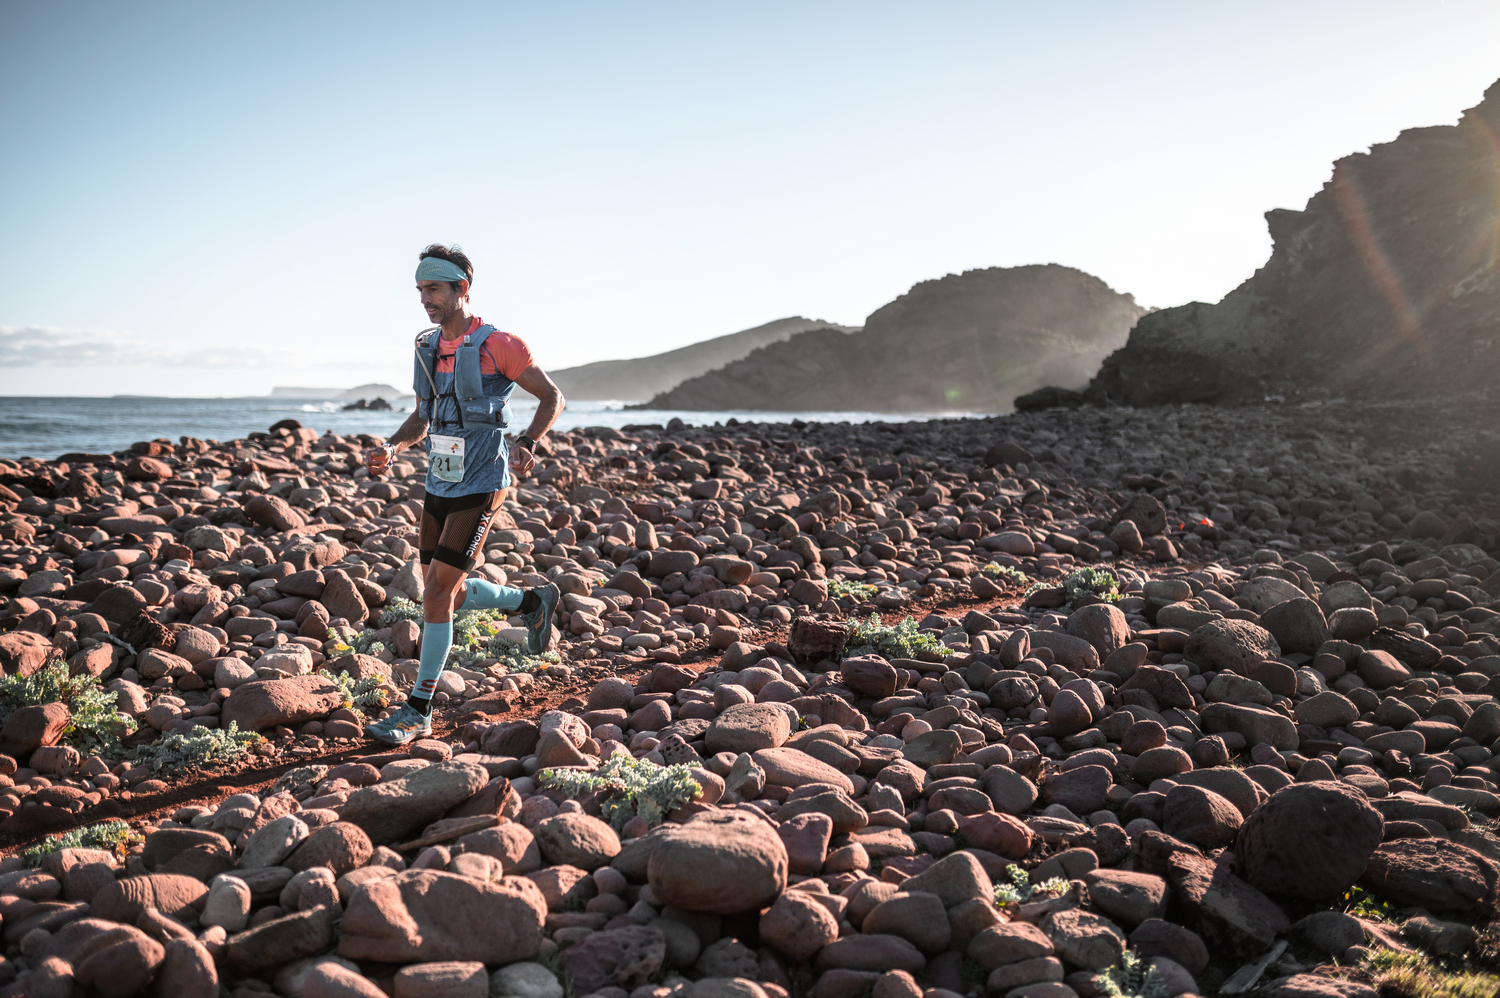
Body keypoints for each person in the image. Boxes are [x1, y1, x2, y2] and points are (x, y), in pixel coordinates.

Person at [363, 244, 565, 745]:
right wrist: (392, 445)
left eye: (432, 288)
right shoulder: (426, 347)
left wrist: (529, 442)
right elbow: (423, 416)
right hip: (440, 481)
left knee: (435, 593)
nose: (424, 299)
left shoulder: (500, 344)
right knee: (440, 587)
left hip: (482, 482)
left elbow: (552, 396)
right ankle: (529, 602)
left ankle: (418, 710)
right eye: (419, 290)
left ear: (462, 289)